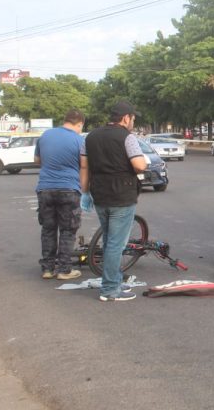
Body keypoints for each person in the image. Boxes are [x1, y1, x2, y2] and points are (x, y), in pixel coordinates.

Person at [82, 101, 148, 302]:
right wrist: (142, 161)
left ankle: (115, 281)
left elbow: (84, 167)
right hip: (121, 196)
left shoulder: (90, 137)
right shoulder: (127, 137)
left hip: (99, 195)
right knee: (115, 244)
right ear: (126, 118)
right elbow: (139, 165)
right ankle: (110, 289)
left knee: (110, 240)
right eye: (133, 118)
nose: (133, 122)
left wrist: (85, 192)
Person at [34, 109, 87, 280]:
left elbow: (37, 160)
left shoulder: (45, 135)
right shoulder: (79, 140)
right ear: (79, 124)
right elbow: (84, 164)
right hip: (69, 189)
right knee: (68, 230)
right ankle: (64, 270)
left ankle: (47, 269)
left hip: (45, 189)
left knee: (48, 229)